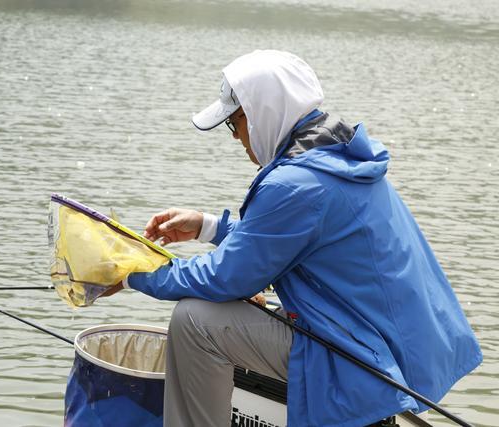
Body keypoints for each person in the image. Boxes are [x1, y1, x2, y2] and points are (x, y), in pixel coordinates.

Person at [109, 50, 482, 427]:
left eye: (234, 124)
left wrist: (130, 274)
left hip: (354, 356)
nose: (237, 138)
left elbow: (222, 278)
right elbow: (287, 243)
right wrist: (209, 226)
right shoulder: (336, 156)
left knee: (195, 320)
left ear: (258, 114)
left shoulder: (295, 185)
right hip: (382, 344)